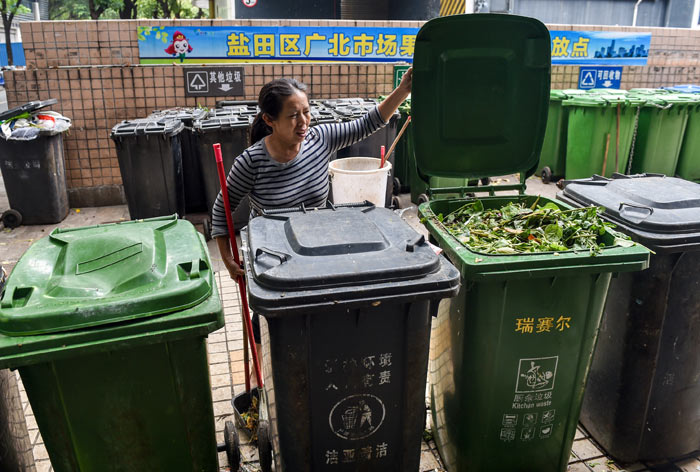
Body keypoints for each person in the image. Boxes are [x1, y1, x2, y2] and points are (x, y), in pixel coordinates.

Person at [210, 69, 413, 373]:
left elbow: (368, 123)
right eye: (293, 116)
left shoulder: (320, 139)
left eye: (306, 112)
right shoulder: (251, 162)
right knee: (271, 325)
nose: (303, 122)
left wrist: (403, 91)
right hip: (274, 257)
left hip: (316, 248)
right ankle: (266, 378)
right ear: (269, 120)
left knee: (318, 317)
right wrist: (228, 261)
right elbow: (220, 212)